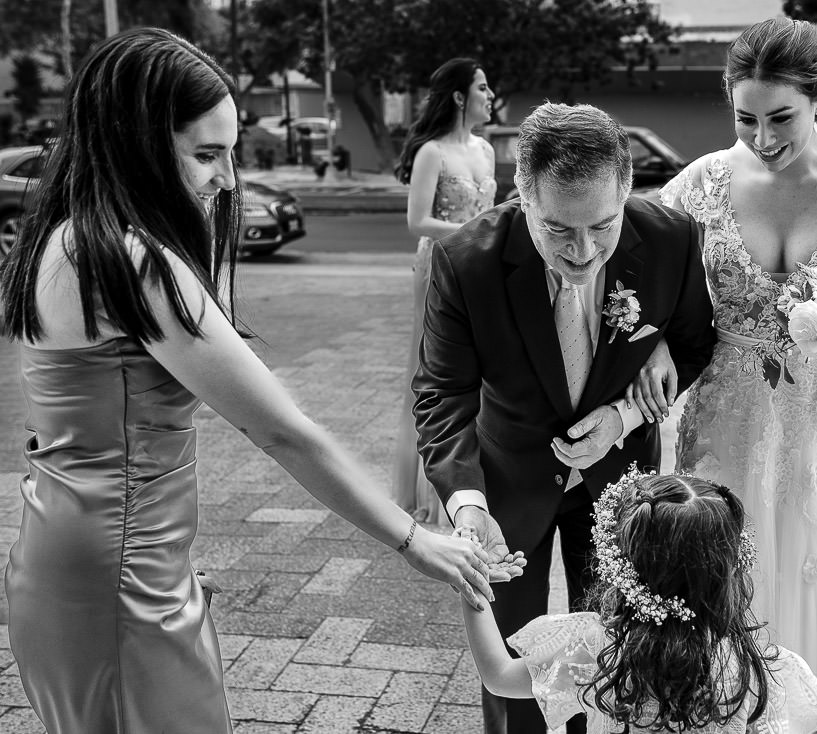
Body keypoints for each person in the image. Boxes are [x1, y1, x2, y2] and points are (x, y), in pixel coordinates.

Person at [0, 28, 501, 734]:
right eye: (206, 155)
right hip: (118, 577)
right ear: (135, 145)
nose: (228, 180)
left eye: (231, 154)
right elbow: (281, 429)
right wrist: (416, 542)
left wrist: (155, 558)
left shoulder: (64, 238)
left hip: (77, 560)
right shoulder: (134, 260)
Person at [638, 17, 817, 733]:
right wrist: (649, 340)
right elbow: (650, 281)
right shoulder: (701, 182)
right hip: (725, 411)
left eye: (780, 118)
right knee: (724, 561)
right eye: (745, 118)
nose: (762, 138)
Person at [412, 102, 717, 733]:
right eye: (558, 231)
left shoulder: (671, 240)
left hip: (621, 482)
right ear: (521, 197)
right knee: (514, 653)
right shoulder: (466, 262)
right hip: (507, 483)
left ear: (626, 194)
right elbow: (442, 394)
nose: (583, 253)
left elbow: (691, 341)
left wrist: (627, 416)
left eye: (602, 227)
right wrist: (467, 506)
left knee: (616, 650)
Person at [457, 470, 817, 733]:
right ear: (727, 572)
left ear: (625, 568)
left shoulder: (596, 648)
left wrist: (469, 577)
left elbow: (498, 677)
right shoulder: (759, 668)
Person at [392, 57, 498, 525]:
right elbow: (417, 221)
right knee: (430, 368)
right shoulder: (432, 152)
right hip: (436, 266)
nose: (490, 94)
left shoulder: (487, 151)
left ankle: (468, 484)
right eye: (482, 86)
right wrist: (475, 228)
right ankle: (423, 492)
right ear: (459, 97)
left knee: (477, 371)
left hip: (478, 268)